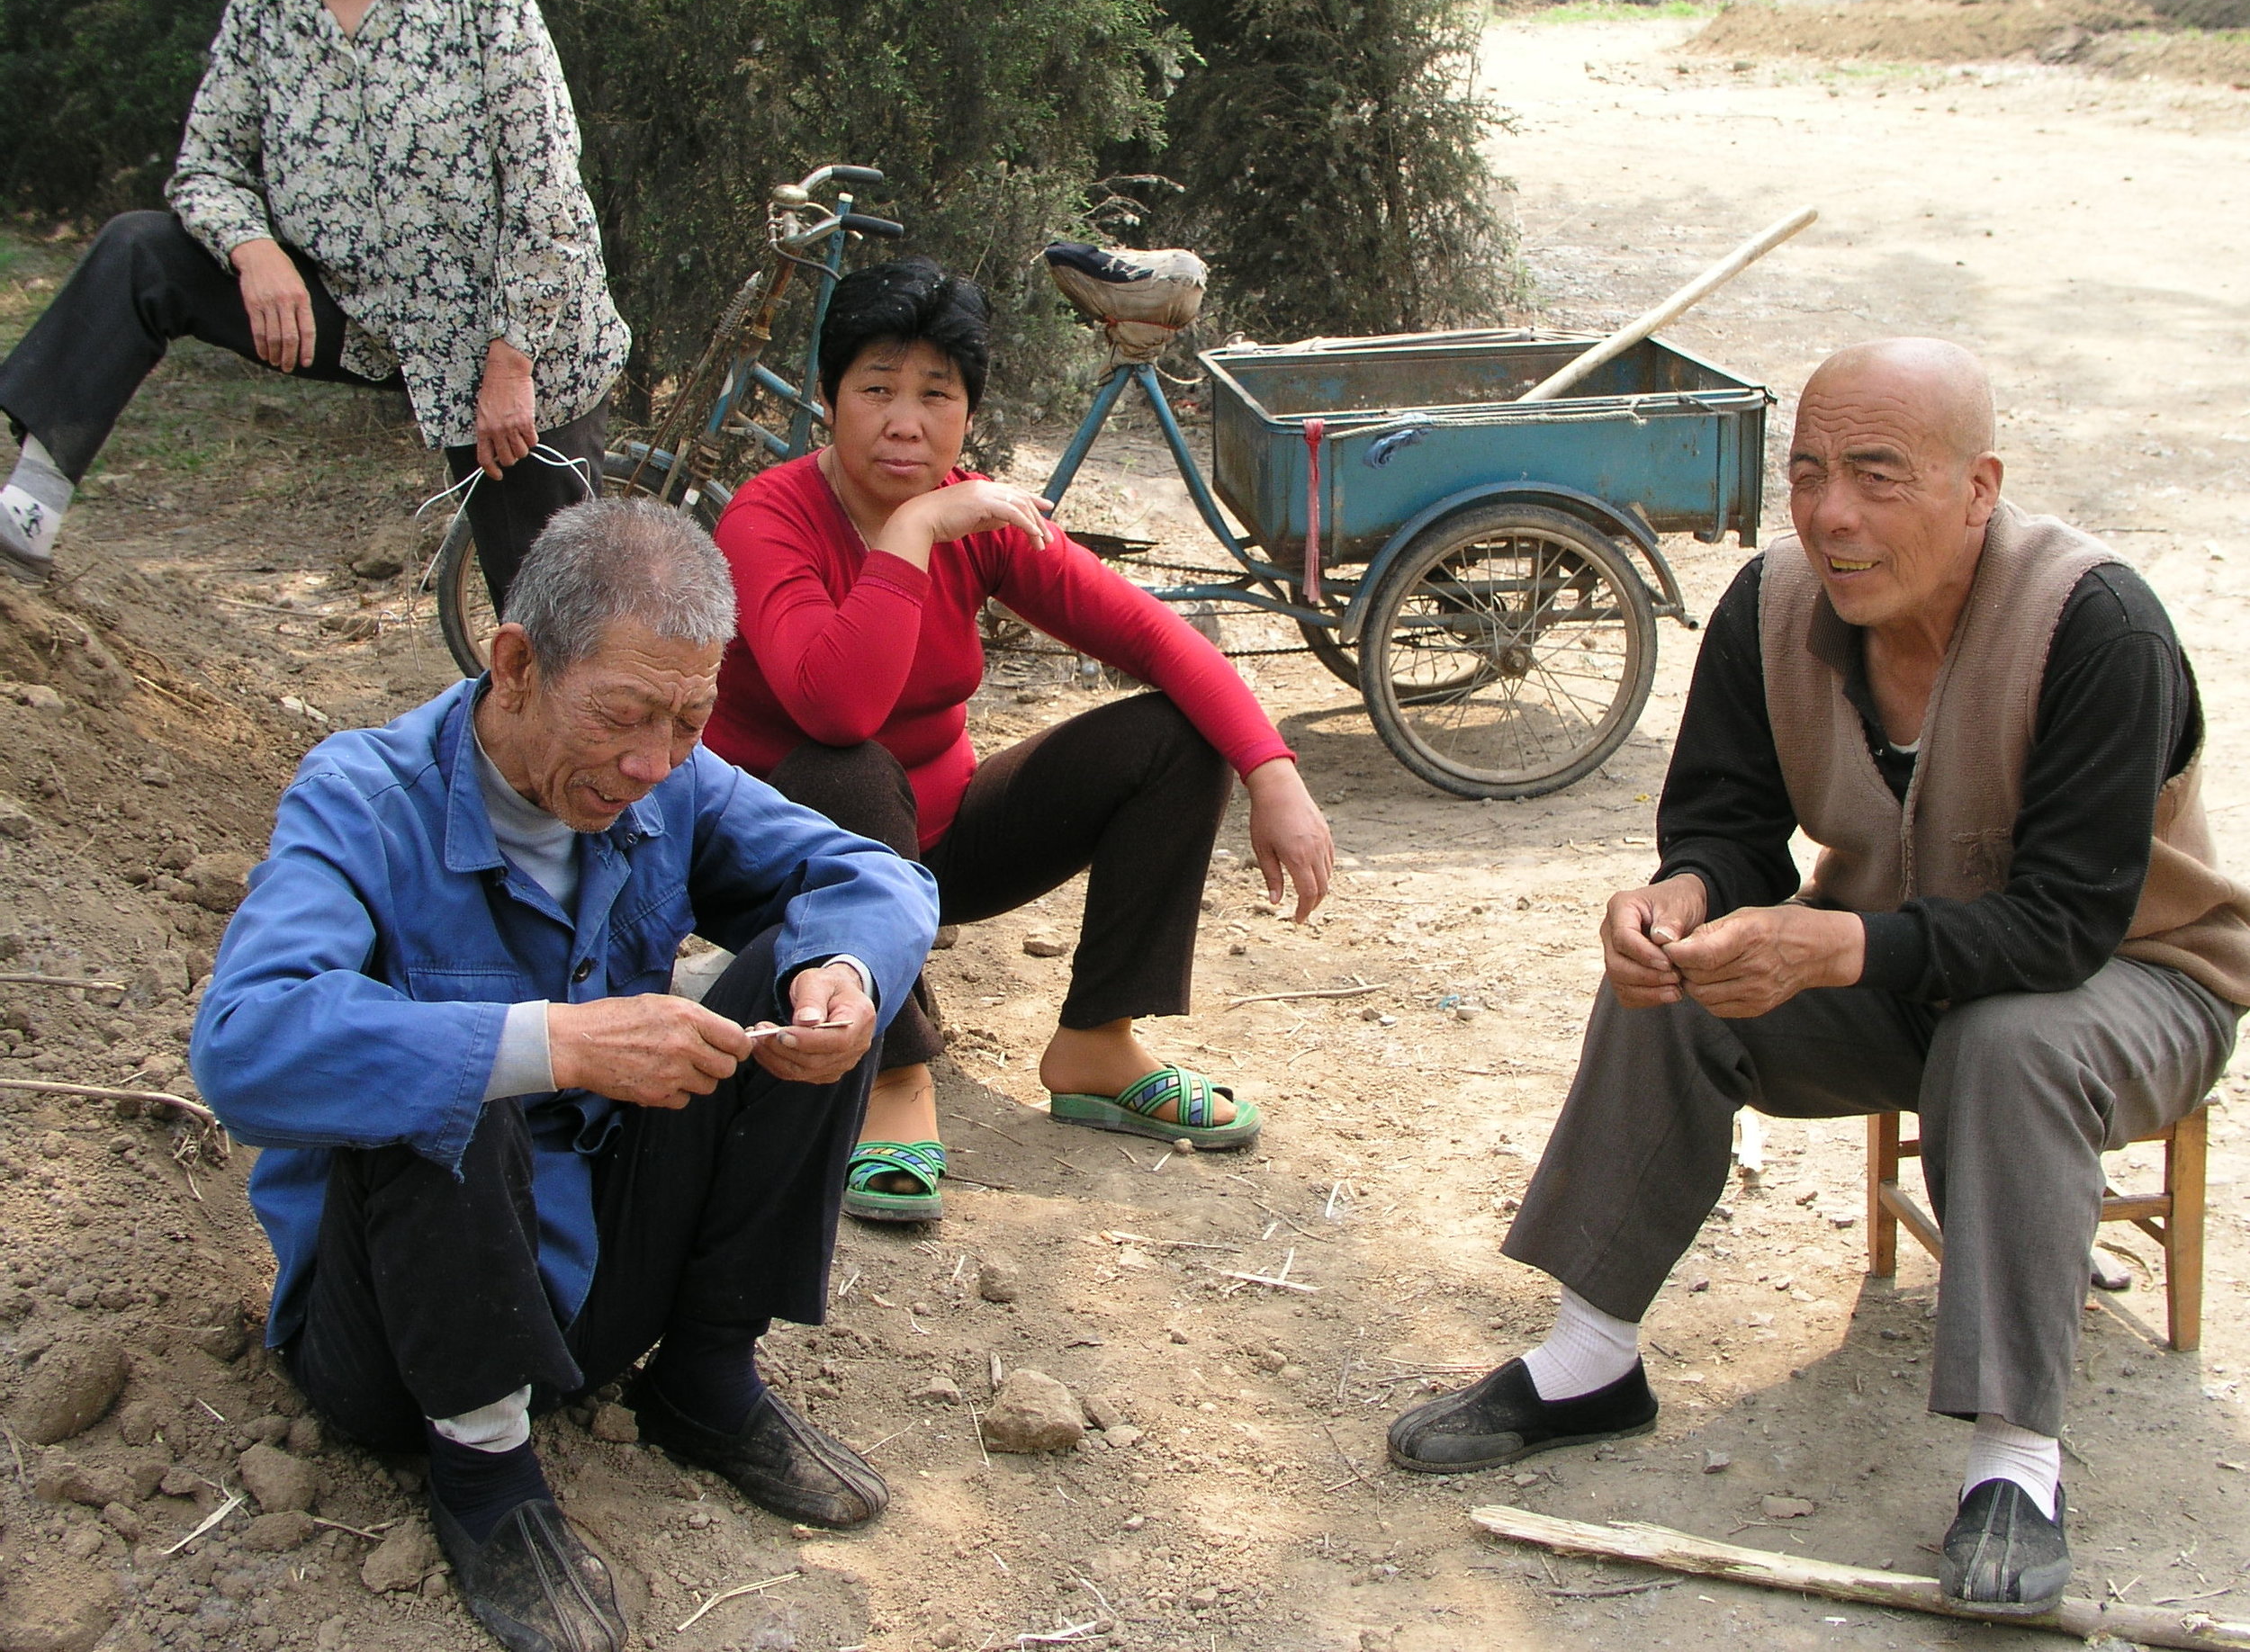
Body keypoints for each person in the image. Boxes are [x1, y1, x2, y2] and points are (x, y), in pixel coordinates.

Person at [1386, 339, 2250, 1615]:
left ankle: (2017, 1456)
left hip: (2133, 982)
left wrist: (1840, 943)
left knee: (2006, 1041)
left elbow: (2066, 924)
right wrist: (1679, 897)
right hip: (1904, 973)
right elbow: (1731, 828)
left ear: (1978, 488)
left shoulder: (2097, 625)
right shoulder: (1775, 604)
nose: (1832, 511)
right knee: (1666, 977)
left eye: (1878, 475)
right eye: (1808, 471)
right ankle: (1590, 1355)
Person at [190, 499, 937, 1652]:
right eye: (624, 718)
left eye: (690, 720)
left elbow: (876, 879)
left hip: (590, 1288)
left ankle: (700, 1375)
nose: (652, 764)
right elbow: (245, 1041)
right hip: (397, 1341)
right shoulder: (361, 799)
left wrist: (843, 971)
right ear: (516, 664)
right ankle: (486, 1480)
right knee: (450, 1062)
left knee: (806, 984)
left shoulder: (674, 782)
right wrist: (557, 1042)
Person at [701, 257, 1335, 1224]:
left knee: (1176, 736)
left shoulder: (981, 517)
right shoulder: (770, 519)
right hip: (782, 867)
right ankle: (892, 1074)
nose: (905, 421)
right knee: (846, 767)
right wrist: (911, 533)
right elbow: (836, 710)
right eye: (875, 390)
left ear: (966, 411)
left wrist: (1272, 771)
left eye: (934, 394)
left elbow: (1153, 634)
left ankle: (1096, 1043)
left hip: (933, 849)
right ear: (829, 400)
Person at [0, 0, 626, 599]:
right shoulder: (267, 3)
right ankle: (30, 506)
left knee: (548, 615)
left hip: (517, 344)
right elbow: (205, 169)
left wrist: (512, 362)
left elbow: (548, 196)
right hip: (352, 312)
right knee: (140, 252)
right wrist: (253, 247)